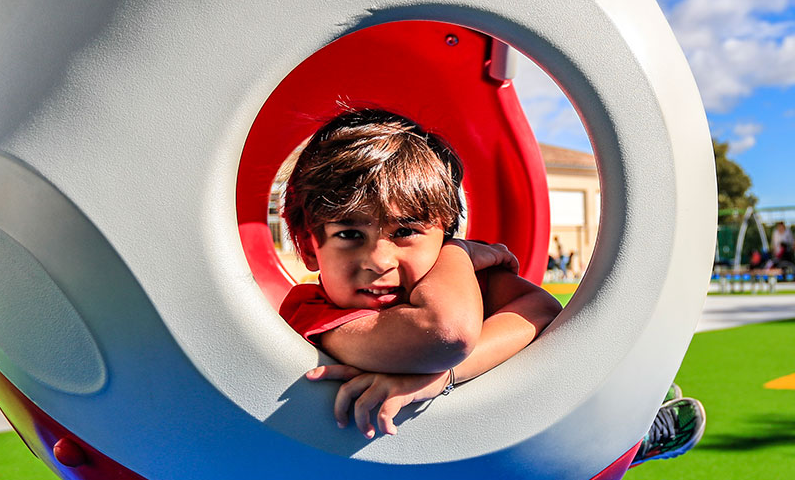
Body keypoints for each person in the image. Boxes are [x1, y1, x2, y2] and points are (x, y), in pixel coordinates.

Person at [280, 108, 705, 460]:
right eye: (349, 235)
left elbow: (539, 311)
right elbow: (444, 334)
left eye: (406, 231)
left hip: (507, 450)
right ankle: (609, 447)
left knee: (559, 352)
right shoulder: (310, 309)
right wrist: (457, 255)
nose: (378, 260)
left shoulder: (459, 280)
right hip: (409, 478)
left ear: (444, 231)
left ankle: (618, 435)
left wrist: (440, 378)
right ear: (310, 247)